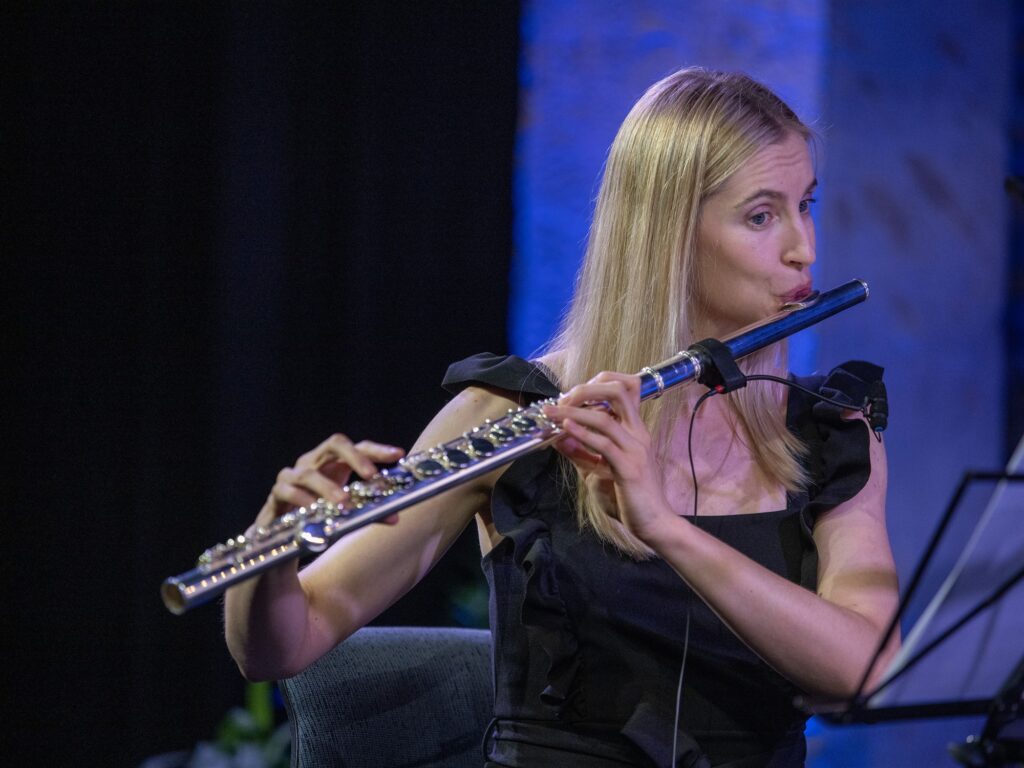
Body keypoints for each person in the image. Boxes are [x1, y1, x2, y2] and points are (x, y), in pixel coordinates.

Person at [224, 68, 900, 767]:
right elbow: (283, 646)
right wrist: (269, 549)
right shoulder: (516, 414)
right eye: (761, 216)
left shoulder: (829, 432)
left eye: (805, 205)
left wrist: (664, 528)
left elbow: (865, 668)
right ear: (668, 234)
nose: (804, 248)